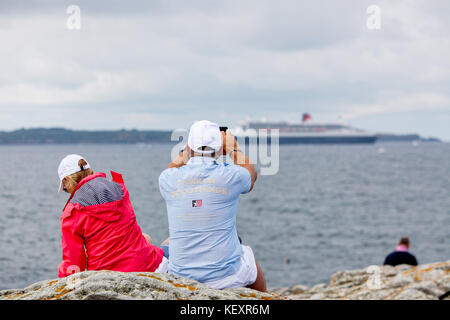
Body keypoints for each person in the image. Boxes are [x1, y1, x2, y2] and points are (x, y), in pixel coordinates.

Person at [158, 120, 266, 292]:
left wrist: (187, 153)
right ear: (218, 149)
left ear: (188, 147)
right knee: (247, 254)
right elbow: (251, 175)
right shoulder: (231, 175)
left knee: (168, 242)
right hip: (225, 277)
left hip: (181, 276)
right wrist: (233, 149)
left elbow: (169, 170)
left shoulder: (167, 179)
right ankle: (263, 299)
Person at [57, 154, 167, 277]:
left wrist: (61, 274)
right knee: (147, 238)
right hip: (151, 267)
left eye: (65, 188)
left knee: (69, 263)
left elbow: (74, 265)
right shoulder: (119, 189)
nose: (68, 190)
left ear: (67, 180)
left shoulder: (72, 212)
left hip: (108, 277)